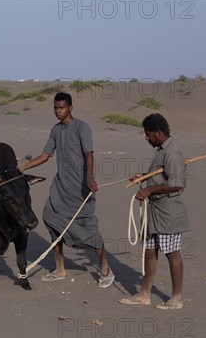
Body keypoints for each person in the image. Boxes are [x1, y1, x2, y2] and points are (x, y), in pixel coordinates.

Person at [26, 92, 115, 287]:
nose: (58, 111)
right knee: (51, 218)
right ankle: (59, 268)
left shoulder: (81, 127)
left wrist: (90, 177)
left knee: (88, 227)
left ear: (70, 108)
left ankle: (106, 268)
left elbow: (89, 154)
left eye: (62, 108)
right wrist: (23, 168)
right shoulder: (56, 130)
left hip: (81, 187)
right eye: (56, 108)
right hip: (61, 187)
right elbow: (45, 155)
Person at [120, 113, 189, 309]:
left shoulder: (172, 152)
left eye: (148, 134)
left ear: (158, 133)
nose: (146, 138)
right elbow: (162, 176)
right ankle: (144, 294)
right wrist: (144, 177)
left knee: (172, 253)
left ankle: (176, 298)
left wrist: (149, 189)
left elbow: (176, 184)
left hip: (169, 211)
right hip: (155, 211)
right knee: (149, 251)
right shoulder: (161, 150)